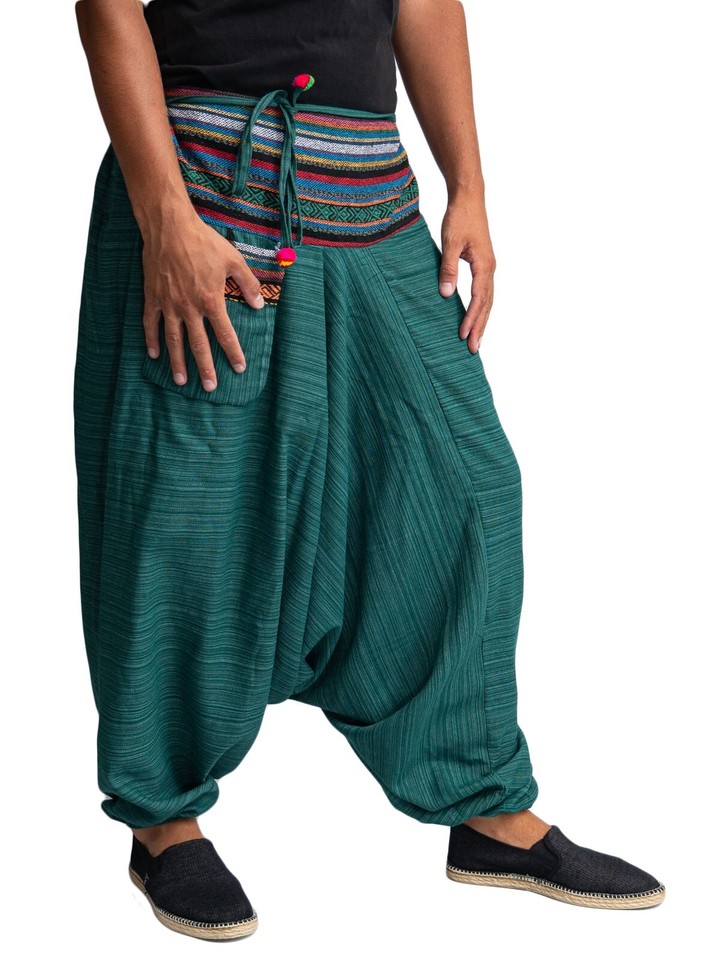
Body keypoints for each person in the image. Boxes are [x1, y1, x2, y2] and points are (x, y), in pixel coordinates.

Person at [73, 0, 665, 941]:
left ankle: (484, 806)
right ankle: (163, 821)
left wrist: (468, 187)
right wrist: (163, 218)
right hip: (203, 193)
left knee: (469, 484)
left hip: (370, 196)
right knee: (186, 508)